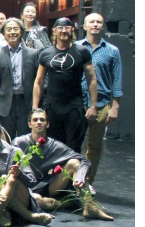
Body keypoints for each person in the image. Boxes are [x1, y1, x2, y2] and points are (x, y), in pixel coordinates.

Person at [14, 109, 113, 220]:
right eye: (35, 120)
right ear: (29, 124)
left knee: (74, 163)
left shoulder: (55, 146)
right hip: (25, 187)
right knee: (37, 200)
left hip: (46, 186)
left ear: (48, 124)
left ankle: (89, 206)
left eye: (42, 120)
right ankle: (62, 203)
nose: (39, 122)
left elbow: (83, 160)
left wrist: (80, 176)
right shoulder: (19, 143)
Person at [33, 17, 99, 153]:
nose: (63, 31)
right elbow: (39, 81)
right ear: (54, 31)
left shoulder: (82, 51)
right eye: (60, 28)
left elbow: (92, 79)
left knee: (73, 148)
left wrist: (93, 106)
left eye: (67, 27)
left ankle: (73, 168)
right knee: (53, 147)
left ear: (72, 30)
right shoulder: (46, 53)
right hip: (52, 107)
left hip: (74, 107)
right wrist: (35, 107)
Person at [77, 11, 123, 191]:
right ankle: (71, 179)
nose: (95, 24)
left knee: (94, 146)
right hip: (77, 102)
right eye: (92, 22)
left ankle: (87, 181)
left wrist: (115, 106)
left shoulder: (112, 51)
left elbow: (117, 79)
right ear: (85, 26)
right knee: (73, 143)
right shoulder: (76, 47)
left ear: (102, 26)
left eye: (99, 22)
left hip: (102, 104)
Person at [0, 18, 40, 138]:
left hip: (26, 102)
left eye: (15, 29)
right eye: (9, 29)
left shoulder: (33, 54)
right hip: (5, 104)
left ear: (21, 31)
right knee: (7, 137)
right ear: (4, 33)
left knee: (25, 138)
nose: (12, 32)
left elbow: (39, 80)